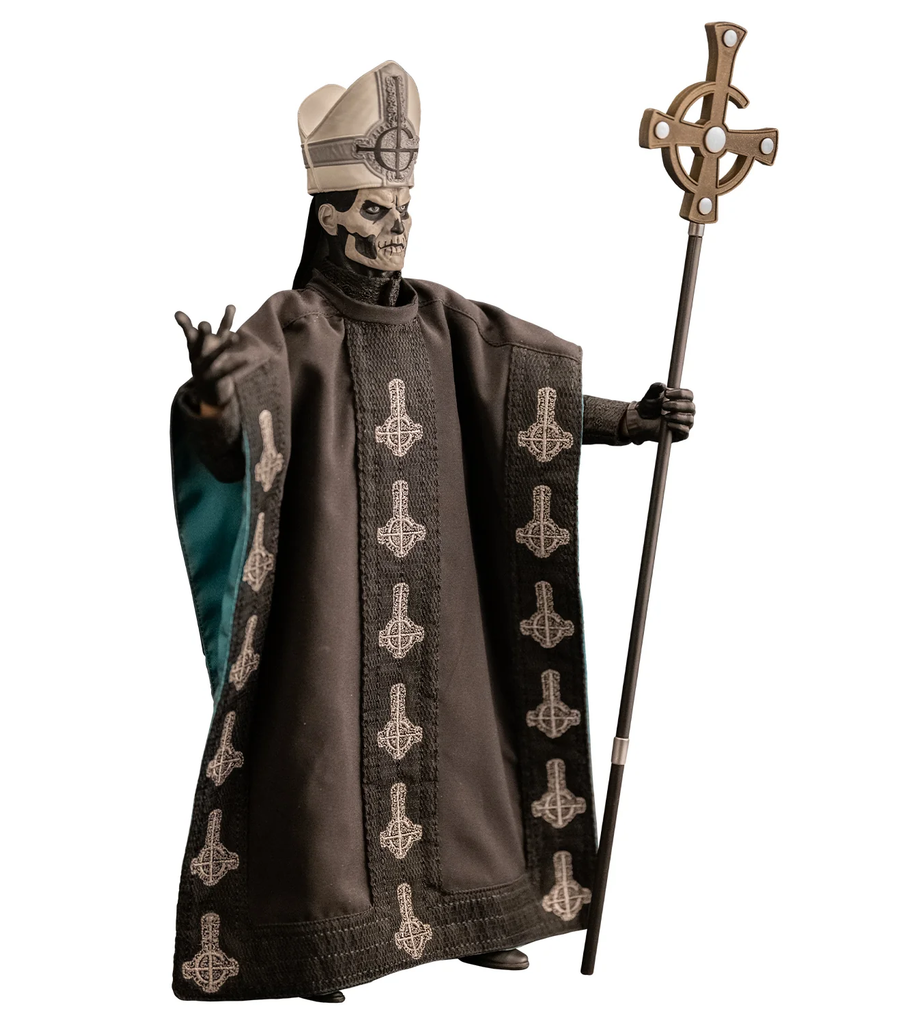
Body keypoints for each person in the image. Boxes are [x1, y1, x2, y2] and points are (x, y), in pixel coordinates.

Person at [170, 60, 694, 1003]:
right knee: (321, 756)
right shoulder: (290, 326)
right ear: (328, 216)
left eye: (404, 207)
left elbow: (528, 401)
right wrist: (211, 397)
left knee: (467, 755)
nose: (396, 225)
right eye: (375, 209)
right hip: (330, 602)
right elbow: (237, 423)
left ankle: (476, 917)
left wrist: (632, 420)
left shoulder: (447, 324)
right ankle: (320, 942)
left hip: (443, 602)